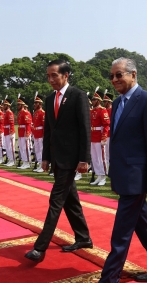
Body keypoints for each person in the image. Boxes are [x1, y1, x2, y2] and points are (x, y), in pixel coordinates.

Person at [99, 57, 147, 283]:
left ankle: (109, 277)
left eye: (119, 75)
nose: (114, 79)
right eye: (112, 76)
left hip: (137, 178)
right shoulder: (118, 103)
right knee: (143, 223)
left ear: (133, 74)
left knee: (121, 231)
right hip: (123, 175)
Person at [24, 59, 92, 263]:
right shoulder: (49, 98)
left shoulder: (78, 96)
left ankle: (40, 248)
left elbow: (84, 129)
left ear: (66, 75)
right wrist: (45, 156)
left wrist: (84, 159)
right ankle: (83, 238)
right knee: (71, 201)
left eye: (54, 75)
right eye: (48, 76)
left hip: (71, 159)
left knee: (56, 201)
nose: (51, 79)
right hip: (56, 158)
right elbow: (48, 131)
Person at [89, 89, 110, 186]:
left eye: (94, 100)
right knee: (94, 158)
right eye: (92, 99)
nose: (92, 101)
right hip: (93, 136)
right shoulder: (92, 111)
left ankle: (103, 177)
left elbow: (106, 125)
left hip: (99, 137)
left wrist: (104, 137)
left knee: (101, 158)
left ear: (98, 100)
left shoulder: (103, 110)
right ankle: (98, 175)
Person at [16, 97, 33, 169]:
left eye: (19, 105)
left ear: (22, 105)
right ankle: (24, 162)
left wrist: (28, 133)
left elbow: (28, 124)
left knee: (26, 148)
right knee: (22, 148)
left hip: (25, 132)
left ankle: (27, 162)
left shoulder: (26, 113)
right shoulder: (19, 113)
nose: (17, 106)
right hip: (21, 132)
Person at [32, 94, 46, 172]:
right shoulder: (36, 112)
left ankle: (42, 165)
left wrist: (44, 135)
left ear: (40, 104)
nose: (35, 104)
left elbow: (44, 125)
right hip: (36, 133)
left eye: (36, 103)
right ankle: (39, 164)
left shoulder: (42, 113)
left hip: (40, 133)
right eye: (35, 103)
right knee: (37, 150)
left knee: (41, 150)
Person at [3, 98, 16, 166]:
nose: (3, 106)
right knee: (7, 147)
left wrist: (11, 131)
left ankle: (12, 160)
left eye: (4, 105)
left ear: (8, 105)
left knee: (11, 147)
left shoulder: (9, 113)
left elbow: (11, 123)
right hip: (6, 131)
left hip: (9, 131)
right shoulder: (6, 113)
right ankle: (10, 159)